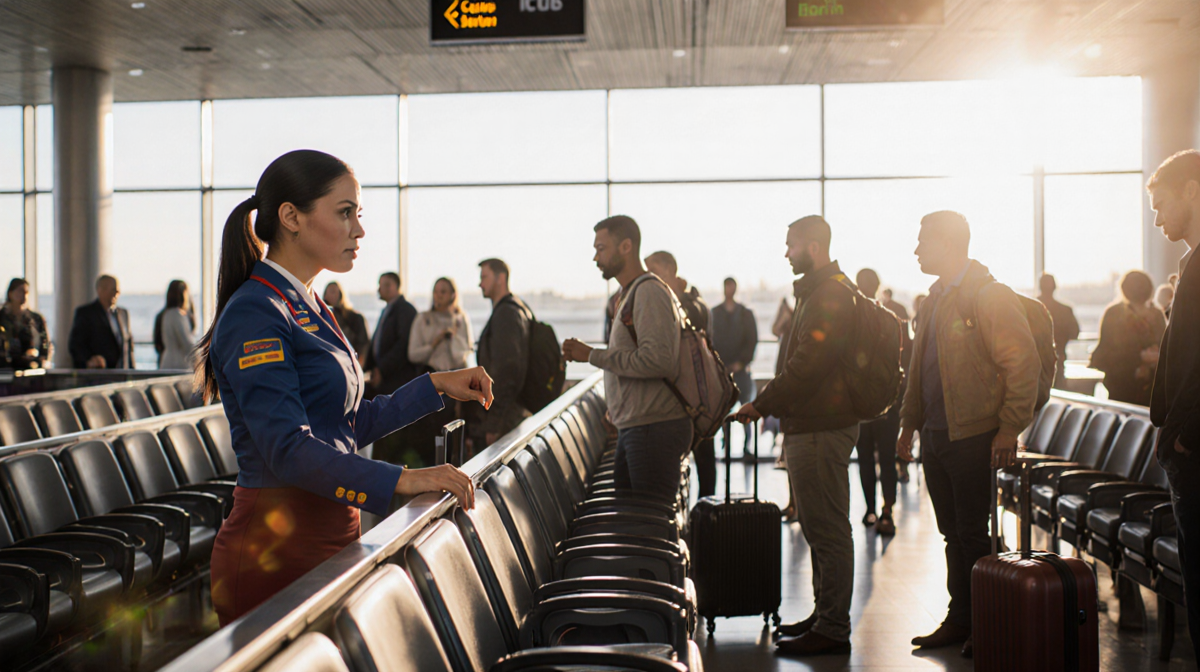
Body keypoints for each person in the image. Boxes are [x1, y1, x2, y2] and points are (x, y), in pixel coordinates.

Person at [195, 150, 490, 626]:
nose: (359, 229)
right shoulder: (257, 310)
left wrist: (435, 385)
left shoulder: (309, 304)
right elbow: (286, 448)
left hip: (330, 528)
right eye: (345, 212)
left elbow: (347, 424)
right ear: (291, 217)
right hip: (276, 545)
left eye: (359, 214)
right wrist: (404, 478)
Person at [896, 211, 1041, 658]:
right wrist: (908, 423)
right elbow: (919, 370)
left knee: (974, 534)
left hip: (975, 434)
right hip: (939, 435)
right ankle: (961, 618)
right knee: (953, 534)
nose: (917, 250)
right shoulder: (934, 299)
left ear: (948, 243)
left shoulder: (988, 295)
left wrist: (1010, 428)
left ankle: (990, 619)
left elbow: (1023, 365)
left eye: (923, 241)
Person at [736, 215, 858, 656]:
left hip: (823, 426)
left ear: (814, 245)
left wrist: (763, 404)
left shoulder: (830, 294)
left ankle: (833, 627)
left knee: (827, 528)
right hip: (811, 424)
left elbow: (808, 365)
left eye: (791, 245)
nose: (786, 253)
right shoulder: (819, 290)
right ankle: (824, 615)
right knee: (817, 524)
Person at [563, 216, 692, 500]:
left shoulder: (648, 292)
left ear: (625, 246)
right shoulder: (630, 294)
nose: (596, 257)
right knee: (635, 518)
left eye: (601, 248)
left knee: (648, 524)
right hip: (636, 424)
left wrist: (592, 355)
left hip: (652, 428)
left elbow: (658, 361)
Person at [1147, 148, 1200, 663]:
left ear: (1191, 189)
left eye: (1161, 205)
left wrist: (1184, 435)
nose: (1159, 218)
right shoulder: (1191, 263)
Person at [645, 250, 716, 498]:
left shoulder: (688, 305)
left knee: (701, 459)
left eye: (652, 270)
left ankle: (705, 515)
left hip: (691, 397)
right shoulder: (689, 302)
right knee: (702, 459)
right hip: (693, 396)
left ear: (667, 271)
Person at [853, 268, 900, 535]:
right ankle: (887, 511)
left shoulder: (851, 322)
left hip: (861, 408)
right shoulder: (890, 320)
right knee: (887, 458)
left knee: (865, 460)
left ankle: (870, 509)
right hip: (888, 405)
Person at [1088, 270, 1166, 405]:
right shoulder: (1157, 315)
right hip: (1150, 389)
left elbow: (1106, 353)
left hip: (1121, 387)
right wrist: (1147, 358)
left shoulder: (1114, 314)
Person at [477, 258, 532, 447]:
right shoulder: (518, 308)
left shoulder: (506, 315)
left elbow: (506, 369)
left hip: (507, 416)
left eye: (485, 277)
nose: (480, 283)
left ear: (500, 278)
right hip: (515, 409)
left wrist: (494, 423)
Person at [712, 277, 759, 461]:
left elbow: (751, 340)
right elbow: (711, 341)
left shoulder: (745, 314)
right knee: (724, 412)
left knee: (746, 409)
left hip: (740, 371)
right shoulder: (715, 313)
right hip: (722, 372)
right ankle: (727, 447)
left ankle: (746, 447)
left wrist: (742, 362)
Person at [68, 274, 135, 369]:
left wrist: (132, 370)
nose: (116, 293)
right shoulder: (86, 314)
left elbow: (128, 346)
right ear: (100, 290)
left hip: (123, 373)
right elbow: (76, 345)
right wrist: (89, 360)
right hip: (100, 373)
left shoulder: (123, 314)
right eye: (112, 290)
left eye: (117, 291)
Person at [409, 277, 473, 374]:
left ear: (453, 295)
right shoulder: (423, 319)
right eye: (435, 292)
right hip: (431, 374)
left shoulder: (460, 319)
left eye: (443, 292)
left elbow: (467, 351)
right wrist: (434, 344)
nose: (438, 296)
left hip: (456, 374)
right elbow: (413, 355)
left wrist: (453, 338)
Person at [1037, 273, 1081, 389]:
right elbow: (1075, 333)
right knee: (1059, 396)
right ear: (1055, 287)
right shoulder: (1065, 310)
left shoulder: (1030, 309)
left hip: (1034, 362)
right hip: (1058, 359)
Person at [0, 278, 50, 370]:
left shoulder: (35, 319)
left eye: (26, 292)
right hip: (5, 367)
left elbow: (45, 343)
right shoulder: (2, 317)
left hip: (30, 366)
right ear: (10, 293)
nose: (23, 296)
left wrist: (42, 359)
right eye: (20, 291)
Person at [324, 281, 370, 366]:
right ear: (325, 296)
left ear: (341, 295)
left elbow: (363, 344)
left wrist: (359, 366)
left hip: (351, 363)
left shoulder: (355, 318)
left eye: (334, 292)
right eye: (330, 292)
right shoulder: (322, 318)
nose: (333, 295)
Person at [154, 279, 197, 369]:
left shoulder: (165, 314)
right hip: (179, 364)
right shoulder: (177, 315)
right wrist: (201, 361)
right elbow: (187, 343)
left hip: (167, 362)